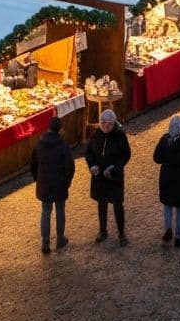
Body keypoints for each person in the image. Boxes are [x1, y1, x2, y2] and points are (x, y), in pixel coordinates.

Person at [84, 108, 131, 246]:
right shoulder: (96, 134)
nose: (105, 126)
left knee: (117, 205)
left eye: (108, 124)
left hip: (114, 177)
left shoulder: (120, 136)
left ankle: (121, 234)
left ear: (113, 123)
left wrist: (114, 168)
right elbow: (89, 153)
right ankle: (102, 231)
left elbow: (125, 155)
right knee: (102, 204)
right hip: (100, 177)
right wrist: (92, 165)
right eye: (103, 123)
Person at [29, 115, 75, 254]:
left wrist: (38, 179)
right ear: (60, 129)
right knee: (60, 211)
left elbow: (33, 164)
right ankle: (60, 239)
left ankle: (45, 243)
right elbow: (70, 166)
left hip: (44, 184)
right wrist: (67, 181)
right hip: (60, 183)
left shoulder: (39, 144)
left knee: (46, 211)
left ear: (48, 128)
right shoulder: (63, 145)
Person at [153, 115, 180, 247]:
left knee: (167, 205)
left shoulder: (164, 141)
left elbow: (156, 158)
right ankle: (179, 235)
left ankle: (167, 229)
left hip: (166, 176)